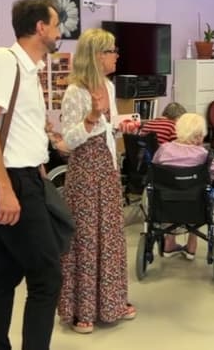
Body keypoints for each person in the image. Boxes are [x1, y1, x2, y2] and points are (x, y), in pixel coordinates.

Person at [0, 0, 62, 350]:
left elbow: (18, 127)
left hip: (28, 176)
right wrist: (5, 189)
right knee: (47, 278)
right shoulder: (3, 61)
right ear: (41, 28)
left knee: (6, 273)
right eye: (56, 25)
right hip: (13, 182)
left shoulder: (29, 69)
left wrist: (38, 158)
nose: (59, 33)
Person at [57, 28, 135, 334]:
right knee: (86, 240)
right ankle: (82, 310)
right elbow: (70, 140)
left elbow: (109, 127)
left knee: (111, 238)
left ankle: (112, 302)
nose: (116, 56)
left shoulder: (108, 86)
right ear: (96, 55)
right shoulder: (75, 91)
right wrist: (91, 117)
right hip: (85, 172)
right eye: (112, 51)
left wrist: (120, 126)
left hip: (108, 167)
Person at [151, 113, 214, 258]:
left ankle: (169, 243)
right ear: (199, 135)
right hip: (195, 206)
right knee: (200, 193)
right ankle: (191, 245)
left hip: (166, 203)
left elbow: (154, 169)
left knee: (168, 192)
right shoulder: (203, 154)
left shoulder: (164, 149)